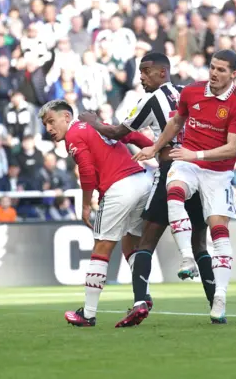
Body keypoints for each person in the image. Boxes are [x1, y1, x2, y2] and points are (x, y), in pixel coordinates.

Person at [78, 52, 215, 328]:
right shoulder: (187, 92)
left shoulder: (153, 100)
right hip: (198, 173)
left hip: (171, 173)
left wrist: (93, 121)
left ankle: (140, 301)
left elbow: (118, 132)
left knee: (145, 242)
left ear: (162, 73)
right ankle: (217, 305)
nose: (140, 77)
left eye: (145, 71)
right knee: (200, 243)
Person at [133, 50, 236, 324]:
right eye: (212, 67)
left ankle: (219, 298)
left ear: (233, 74)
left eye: (222, 70)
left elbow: (232, 148)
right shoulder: (192, 91)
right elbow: (176, 122)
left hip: (217, 173)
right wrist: (155, 147)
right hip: (187, 164)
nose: (214, 73)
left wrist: (194, 155)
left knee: (219, 234)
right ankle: (186, 258)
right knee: (174, 189)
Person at [39, 99, 153, 327]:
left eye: (51, 122)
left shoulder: (73, 134)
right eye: (45, 125)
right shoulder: (95, 123)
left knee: (102, 246)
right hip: (143, 181)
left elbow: (87, 170)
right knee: (131, 243)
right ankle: (143, 298)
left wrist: (84, 205)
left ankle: (88, 314)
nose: (49, 129)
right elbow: (128, 134)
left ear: (66, 117)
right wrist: (156, 147)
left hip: (120, 187)